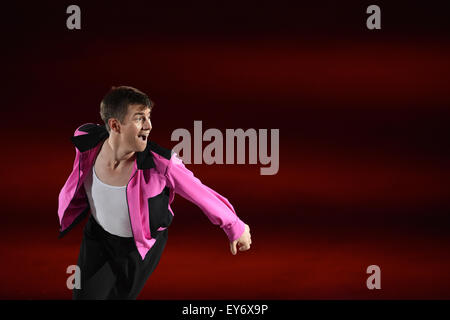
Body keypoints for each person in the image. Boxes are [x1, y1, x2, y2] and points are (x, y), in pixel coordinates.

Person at [57, 86, 252, 300]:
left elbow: (201, 193)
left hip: (138, 248)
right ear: (115, 125)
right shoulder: (86, 139)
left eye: (149, 117)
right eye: (140, 118)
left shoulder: (162, 164)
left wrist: (234, 225)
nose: (149, 126)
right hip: (97, 237)